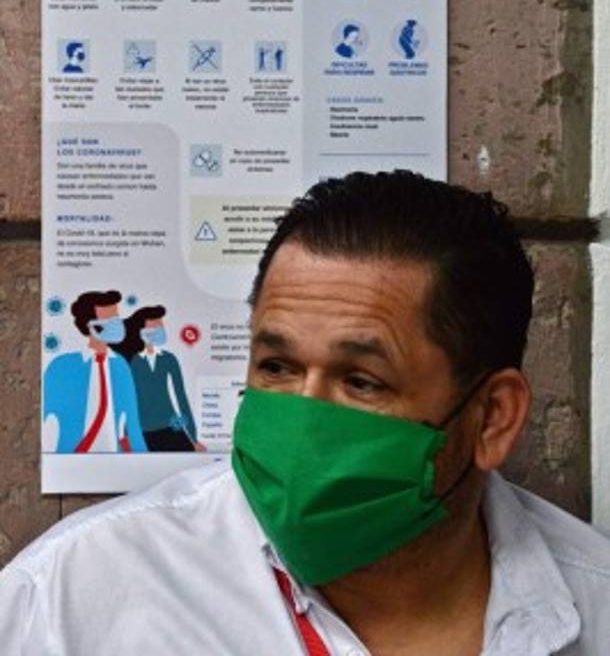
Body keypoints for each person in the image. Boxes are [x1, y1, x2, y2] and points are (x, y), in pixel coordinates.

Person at [3, 171, 610, 654]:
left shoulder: (593, 605)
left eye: (361, 381)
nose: (303, 420)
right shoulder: (70, 600)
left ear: (493, 417)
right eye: (276, 367)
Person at [42, 289, 146, 454]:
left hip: (114, 455)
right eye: (109, 320)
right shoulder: (61, 366)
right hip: (73, 455)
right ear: (90, 325)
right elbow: (45, 418)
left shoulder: (121, 365)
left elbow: (132, 422)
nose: (117, 325)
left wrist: (142, 458)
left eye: (117, 318)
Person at [117, 304, 205, 452]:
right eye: (155, 328)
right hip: (142, 430)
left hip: (171, 426)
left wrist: (193, 438)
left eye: (161, 327)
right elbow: (128, 401)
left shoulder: (169, 359)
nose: (160, 331)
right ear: (142, 332)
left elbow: (181, 397)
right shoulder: (133, 362)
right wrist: (125, 435)